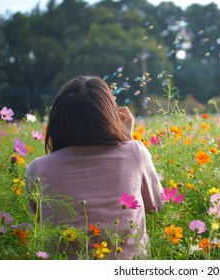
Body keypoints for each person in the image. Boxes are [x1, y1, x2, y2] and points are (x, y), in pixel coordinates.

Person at [26, 75, 164, 259]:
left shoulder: (37, 168)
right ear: (109, 116)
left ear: (58, 121)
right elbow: (155, 205)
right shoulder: (134, 152)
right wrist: (127, 140)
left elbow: (40, 223)